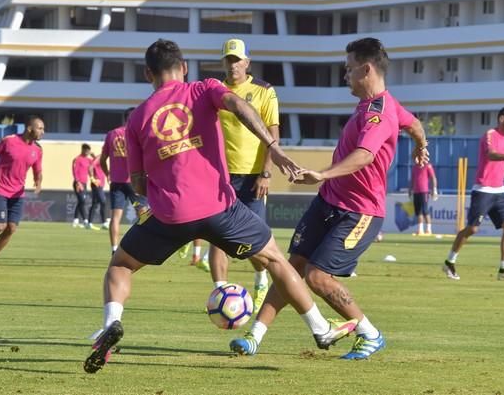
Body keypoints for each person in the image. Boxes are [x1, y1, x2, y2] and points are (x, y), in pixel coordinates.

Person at [84, 39, 357, 374]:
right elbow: (240, 107)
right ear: (183, 67)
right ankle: (320, 328)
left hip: (170, 214)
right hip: (219, 208)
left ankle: (112, 322)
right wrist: (273, 147)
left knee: (120, 266)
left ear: (147, 74)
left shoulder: (138, 117)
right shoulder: (203, 89)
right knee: (274, 259)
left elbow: (138, 183)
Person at [230, 37, 429, 360]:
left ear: (366, 69)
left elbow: (364, 156)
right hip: (328, 203)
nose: (345, 75)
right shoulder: (380, 105)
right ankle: (254, 336)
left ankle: (369, 333)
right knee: (289, 268)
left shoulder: (379, 114)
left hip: (359, 212)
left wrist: (322, 174)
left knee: (318, 276)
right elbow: (416, 124)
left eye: (349, 70)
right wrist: (421, 145)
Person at [201, 38, 279, 312]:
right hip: (219, 176)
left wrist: (266, 173)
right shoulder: (214, 91)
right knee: (217, 238)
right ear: (223, 62)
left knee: (255, 243)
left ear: (247, 62)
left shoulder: (264, 91)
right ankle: (220, 294)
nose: (233, 65)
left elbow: (273, 135)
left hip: (253, 177)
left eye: (237, 60)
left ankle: (260, 277)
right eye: (228, 60)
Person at [442, 107, 504, 282]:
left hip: (500, 191)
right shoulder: (489, 134)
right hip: (483, 189)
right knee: (472, 229)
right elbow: (492, 155)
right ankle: (449, 261)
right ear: (501, 118)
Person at [0, 116, 45, 270]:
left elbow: (38, 170)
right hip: (0, 188)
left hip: (17, 194)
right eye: (40, 128)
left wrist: (38, 181)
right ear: (29, 129)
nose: (43, 132)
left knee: (11, 228)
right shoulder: (9, 141)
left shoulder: (37, 150)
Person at [100, 108, 148, 254]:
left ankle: (114, 249)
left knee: (115, 217)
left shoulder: (112, 134)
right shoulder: (136, 132)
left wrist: (107, 173)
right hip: (134, 181)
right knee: (144, 215)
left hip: (116, 181)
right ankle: (145, 247)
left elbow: (103, 159)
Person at [410, 161, 438, 235]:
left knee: (425, 210)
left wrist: (434, 189)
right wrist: (410, 189)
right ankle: (420, 229)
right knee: (418, 211)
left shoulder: (427, 166)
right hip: (416, 191)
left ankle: (429, 229)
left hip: (424, 191)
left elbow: (433, 177)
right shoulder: (414, 167)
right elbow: (412, 179)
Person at [72, 144, 92, 229]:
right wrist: (78, 182)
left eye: (89, 151)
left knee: (81, 201)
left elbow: (94, 165)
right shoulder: (77, 159)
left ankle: (75, 220)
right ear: (83, 150)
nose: (87, 152)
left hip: (85, 183)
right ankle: (85, 220)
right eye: (86, 150)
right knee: (82, 201)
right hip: (78, 183)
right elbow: (74, 171)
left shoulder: (88, 160)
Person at [88, 153, 109, 230]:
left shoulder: (102, 158)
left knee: (95, 204)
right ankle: (104, 222)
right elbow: (90, 167)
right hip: (97, 184)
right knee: (103, 202)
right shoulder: (99, 157)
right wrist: (93, 179)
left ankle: (89, 223)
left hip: (99, 185)